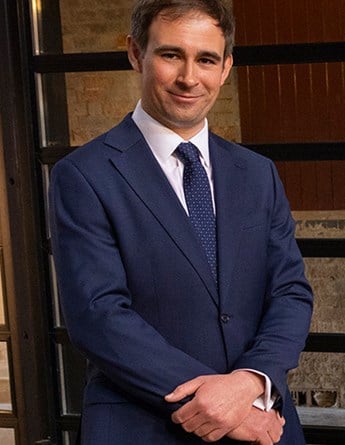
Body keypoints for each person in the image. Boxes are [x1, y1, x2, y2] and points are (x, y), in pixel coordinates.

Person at [49, 1, 309, 444]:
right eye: (171, 55)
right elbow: (99, 317)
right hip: (143, 426)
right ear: (136, 54)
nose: (190, 77)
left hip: (262, 421)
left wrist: (250, 382)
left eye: (206, 59)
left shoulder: (257, 173)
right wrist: (222, 406)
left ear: (225, 67)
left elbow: (290, 292)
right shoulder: (84, 175)